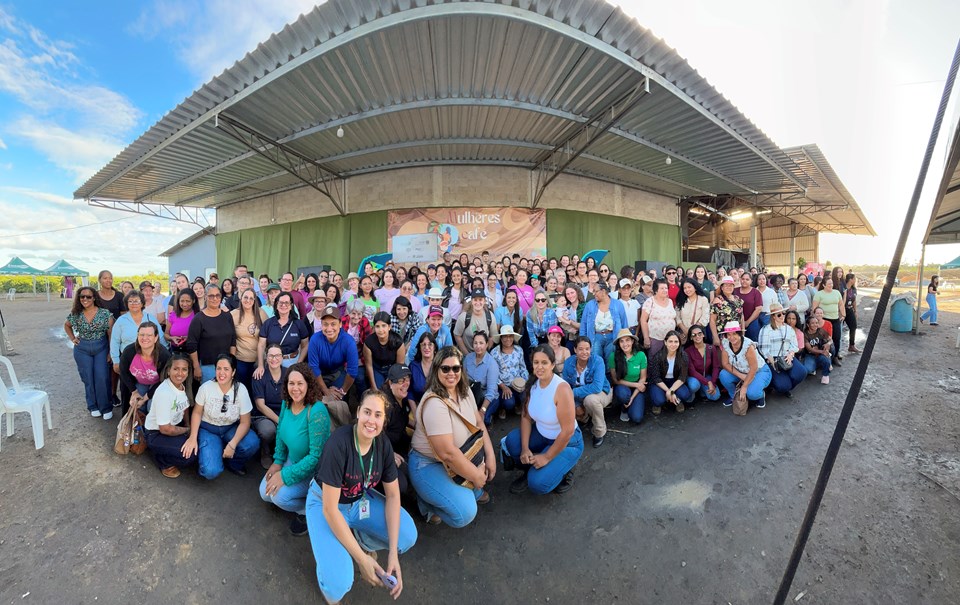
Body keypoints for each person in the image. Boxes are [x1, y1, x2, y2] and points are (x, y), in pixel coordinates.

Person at [305, 390, 417, 603]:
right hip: (326, 504)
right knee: (338, 585)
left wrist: (393, 553)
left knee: (407, 536)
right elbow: (329, 509)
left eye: (378, 415)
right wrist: (362, 560)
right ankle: (330, 572)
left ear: (384, 421)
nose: (371, 420)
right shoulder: (339, 443)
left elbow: (393, 496)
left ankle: (360, 540)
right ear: (358, 412)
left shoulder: (382, 444)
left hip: (358, 500)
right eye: (367, 412)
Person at [408, 347, 496, 527]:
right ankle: (426, 503)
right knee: (464, 513)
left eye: (456, 368)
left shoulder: (464, 390)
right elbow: (447, 453)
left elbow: (479, 422)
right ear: (436, 370)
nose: (451, 373)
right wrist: (476, 476)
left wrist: (491, 454)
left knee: (473, 485)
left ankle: (461, 487)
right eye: (445, 368)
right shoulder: (434, 403)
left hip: (463, 454)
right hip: (428, 463)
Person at [260, 363, 332, 536]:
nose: (295, 388)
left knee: (278, 497)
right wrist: (278, 462)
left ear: (308, 384)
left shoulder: (316, 411)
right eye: (291, 383)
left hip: (313, 472)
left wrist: (284, 476)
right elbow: (280, 432)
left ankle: (309, 511)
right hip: (291, 460)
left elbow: (315, 457)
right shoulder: (287, 403)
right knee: (264, 493)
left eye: (300, 383)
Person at [500, 345, 582, 494]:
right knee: (512, 442)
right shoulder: (532, 384)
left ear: (552, 364)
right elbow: (525, 417)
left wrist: (547, 456)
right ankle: (531, 468)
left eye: (544, 363)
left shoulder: (561, 389)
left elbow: (568, 431)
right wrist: (525, 448)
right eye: (536, 362)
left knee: (538, 484)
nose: (539, 367)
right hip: (543, 434)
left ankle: (565, 469)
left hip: (568, 441)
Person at [181, 354, 259, 479]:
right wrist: (193, 437)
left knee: (252, 443)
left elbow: (245, 422)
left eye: (226, 369)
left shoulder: (241, 389)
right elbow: (196, 412)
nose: (221, 373)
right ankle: (213, 453)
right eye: (219, 368)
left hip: (230, 428)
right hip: (208, 429)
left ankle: (233, 463)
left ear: (233, 372)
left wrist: (233, 444)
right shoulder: (206, 388)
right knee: (210, 471)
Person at [110, 291, 166, 415]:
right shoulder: (121, 320)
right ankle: (127, 420)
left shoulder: (149, 318)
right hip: (129, 360)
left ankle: (148, 423)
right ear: (126, 304)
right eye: (130, 301)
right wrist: (116, 360)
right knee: (127, 390)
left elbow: (160, 336)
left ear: (142, 303)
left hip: (149, 359)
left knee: (150, 393)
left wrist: (165, 352)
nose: (134, 303)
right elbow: (114, 341)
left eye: (137, 301)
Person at [64, 286, 115, 419]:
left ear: (94, 298)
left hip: (101, 347)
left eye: (88, 296)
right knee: (88, 378)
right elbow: (67, 325)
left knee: (102, 377)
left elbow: (110, 333)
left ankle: (106, 407)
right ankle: (93, 405)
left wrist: (110, 352)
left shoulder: (105, 314)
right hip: (82, 349)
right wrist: (73, 338)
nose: (85, 299)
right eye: (82, 296)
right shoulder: (76, 313)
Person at [143, 354, 197, 478]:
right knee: (190, 455)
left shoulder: (183, 386)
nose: (180, 373)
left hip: (173, 427)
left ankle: (165, 449)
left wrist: (188, 425)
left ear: (188, 372)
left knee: (193, 444)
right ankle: (162, 460)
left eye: (184, 369)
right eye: (176, 369)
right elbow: (165, 429)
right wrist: (187, 431)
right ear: (168, 371)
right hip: (156, 433)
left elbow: (185, 408)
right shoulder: (164, 393)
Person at [562, 337, 612, 448]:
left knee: (591, 400)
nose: (584, 352)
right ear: (575, 350)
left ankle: (599, 432)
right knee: (562, 401)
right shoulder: (568, 363)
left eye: (587, 349)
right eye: (581, 349)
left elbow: (597, 387)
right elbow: (565, 386)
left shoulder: (597, 361)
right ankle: (584, 417)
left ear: (591, 349)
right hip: (579, 395)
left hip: (602, 392)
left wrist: (572, 393)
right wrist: (576, 404)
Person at [307, 305, 359, 405]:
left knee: (337, 402)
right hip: (318, 374)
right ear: (321, 325)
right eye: (325, 324)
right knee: (315, 401)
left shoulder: (349, 342)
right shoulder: (315, 340)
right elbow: (314, 367)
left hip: (337, 373)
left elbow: (352, 371)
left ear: (340, 324)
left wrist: (342, 392)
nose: (329, 328)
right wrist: (326, 391)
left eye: (333, 324)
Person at [185, 284, 236, 385]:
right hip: (207, 367)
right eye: (211, 296)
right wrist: (196, 367)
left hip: (226, 365)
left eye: (217, 295)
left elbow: (233, 341)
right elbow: (191, 345)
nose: (215, 298)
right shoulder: (199, 319)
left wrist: (232, 364)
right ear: (205, 297)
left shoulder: (227, 316)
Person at [118, 323, 171, 417]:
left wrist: (146, 398)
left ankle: (152, 429)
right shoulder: (129, 351)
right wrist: (134, 392)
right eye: (141, 335)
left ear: (155, 338)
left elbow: (165, 380)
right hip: (139, 382)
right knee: (136, 404)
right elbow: (123, 372)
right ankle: (138, 427)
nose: (144, 338)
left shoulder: (164, 355)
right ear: (137, 336)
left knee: (151, 405)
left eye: (149, 335)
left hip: (157, 383)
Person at [757, 303, 808, 397]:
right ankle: (778, 386)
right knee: (783, 386)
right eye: (779, 314)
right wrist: (772, 362)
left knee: (802, 373)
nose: (782, 316)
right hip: (773, 358)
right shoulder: (766, 329)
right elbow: (764, 349)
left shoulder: (789, 329)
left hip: (787, 356)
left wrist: (790, 354)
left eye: (783, 313)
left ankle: (788, 386)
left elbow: (794, 345)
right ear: (773, 316)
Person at [718, 321, 772, 408]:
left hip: (758, 371)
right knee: (723, 375)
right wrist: (741, 375)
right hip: (741, 371)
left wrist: (744, 386)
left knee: (752, 394)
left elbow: (753, 368)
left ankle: (761, 395)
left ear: (740, 333)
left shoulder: (747, 345)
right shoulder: (725, 343)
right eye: (728, 334)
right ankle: (733, 396)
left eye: (734, 334)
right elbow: (725, 363)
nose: (731, 337)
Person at [381, 364, 417, 494]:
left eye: (407, 379)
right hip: (381, 451)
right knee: (401, 484)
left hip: (398, 443)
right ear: (390, 383)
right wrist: (389, 453)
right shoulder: (384, 405)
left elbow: (403, 420)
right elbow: (374, 434)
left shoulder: (401, 397)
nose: (406, 384)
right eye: (401, 381)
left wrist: (419, 426)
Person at [252, 343, 287, 469]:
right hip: (263, 415)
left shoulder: (288, 374)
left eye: (277, 355)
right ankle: (265, 451)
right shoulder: (259, 375)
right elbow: (260, 405)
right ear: (266, 357)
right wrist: (279, 421)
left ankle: (284, 454)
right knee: (268, 430)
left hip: (284, 412)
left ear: (282, 357)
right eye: (271, 356)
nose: (274, 359)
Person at [647, 330, 694, 414]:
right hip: (660, 382)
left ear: (679, 343)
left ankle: (676, 400)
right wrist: (668, 390)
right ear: (665, 342)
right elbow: (656, 378)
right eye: (670, 341)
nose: (673, 344)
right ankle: (659, 402)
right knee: (659, 400)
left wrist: (671, 390)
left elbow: (682, 377)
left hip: (675, 381)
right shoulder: (658, 356)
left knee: (685, 395)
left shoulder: (683, 356)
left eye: (676, 341)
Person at [607, 328, 647, 424]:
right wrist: (637, 385)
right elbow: (616, 380)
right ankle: (623, 408)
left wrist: (633, 397)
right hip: (622, 386)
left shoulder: (641, 355)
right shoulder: (613, 356)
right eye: (622, 341)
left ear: (632, 341)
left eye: (627, 340)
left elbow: (643, 378)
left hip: (637, 388)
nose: (625, 344)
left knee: (637, 418)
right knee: (624, 395)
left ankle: (631, 403)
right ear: (619, 344)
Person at [230, 288, 268, 390]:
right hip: (240, 361)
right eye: (245, 297)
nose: (248, 300)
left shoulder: (261, 313)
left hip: (258, 361)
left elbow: (269, 332)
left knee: (256, 392)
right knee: (243, 391)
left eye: (251, 298)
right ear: (241, 298)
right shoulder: (234, 314)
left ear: (255, 300)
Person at [490, 325, 529, 422]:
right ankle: (502, 407)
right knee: (508, 403)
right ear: (501, 338)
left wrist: (525, 383)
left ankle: (518, 404)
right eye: (505, 336)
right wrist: (503, 386)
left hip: (518, 383)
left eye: (510, 336)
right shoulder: (494, 353)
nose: (508, 339)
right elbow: (493, 373)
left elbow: (523, 368)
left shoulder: (518, 350)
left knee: (526, 397)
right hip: (503, 385)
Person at [580, 282, 627, 360]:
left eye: (596, 291)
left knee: (611, 361)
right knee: (596, 360)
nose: (593, 293)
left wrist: (624, 340)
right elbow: (583, 325)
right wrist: (582, 341)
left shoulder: (618, 304)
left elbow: (624, 324)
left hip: (613, 337)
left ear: (604, 291)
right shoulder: (590, 305)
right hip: (595, 337)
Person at [464, 331, 499, 426]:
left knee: (483, 420)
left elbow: (491, 392)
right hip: (471, 394)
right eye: (475, 343)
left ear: (487, 344)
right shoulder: (468, 358)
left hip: (487, 397)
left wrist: (482, 411)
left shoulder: (492, 364)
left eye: (481, 343)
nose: (478, 346)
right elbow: (462, 379)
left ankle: (490, 416)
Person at [364, 312, 405, 389]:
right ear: (374, 328)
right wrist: (373, 386)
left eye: (384, 326)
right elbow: (369, 365)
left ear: (389, 327)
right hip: (377, 369)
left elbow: (399, 365)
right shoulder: (369, 342)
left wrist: (390, 380)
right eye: (377, 326)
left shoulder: (398, 342)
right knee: (379, 392)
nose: (380, 330)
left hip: (393, 369)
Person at [811, 277, 845, 365]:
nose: (831, 285)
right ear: (823, 285)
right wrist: (816, 320)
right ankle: (824, 357)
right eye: (829, 283)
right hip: (824, 320)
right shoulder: (819, 294)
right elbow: (814, 308)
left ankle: (835, 356)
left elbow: (841, 305)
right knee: (824, 340)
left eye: (832, 283)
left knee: (837, 338)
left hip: (835, 319)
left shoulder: (837, 293)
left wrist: (843, 315)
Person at [640, 279, 677, 358]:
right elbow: (643, 320)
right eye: (662, 288)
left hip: (670, 340)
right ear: (656, 290)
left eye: (666, 288)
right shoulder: (650, 301)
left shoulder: (670, 301)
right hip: (655, 339)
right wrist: (646, 338)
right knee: (654, 363)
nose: (665, 290)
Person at [454, 290, 498, 354]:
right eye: (475, 300)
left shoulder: (490, 316)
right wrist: (467, 354)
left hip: (483, 354)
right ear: (471, 301)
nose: (478, 302)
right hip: (467, 353)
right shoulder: (464, 317)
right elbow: (457, 335)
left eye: (480, 300)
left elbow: (492, 336)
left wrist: (485, 351)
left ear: (484, 301)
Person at [684, 325, 721, 402]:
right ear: (691, 337)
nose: (697, 336)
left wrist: (713, 383)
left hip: (706, 376)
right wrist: (708, 383)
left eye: (699, 333)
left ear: (703, 334)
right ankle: (691, 396)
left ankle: (702, 391)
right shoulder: (687, 351)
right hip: (693, 378)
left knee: (715, 396)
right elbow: (692, 371)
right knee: (694, 385)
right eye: (694, 335)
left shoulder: (711, 348)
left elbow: (716, 367)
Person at [675, 278, 710, 344]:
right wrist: (685, 330)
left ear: (695, 288)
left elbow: (705, 317)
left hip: (698, 334)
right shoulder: (681, 300)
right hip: (683, 334)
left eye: (689, 287)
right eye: (684, 288)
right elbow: (677, 317)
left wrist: (693, 331)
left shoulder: (703, 299)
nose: (687, 290)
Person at [802, 314, 833, 384]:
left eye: (816, 323)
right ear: (808, 325)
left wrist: (828, 344)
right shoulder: (805, 334)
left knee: (825, 358)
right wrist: (822, 351)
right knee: (809, 370)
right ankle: (822, 364)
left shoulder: (821, 331)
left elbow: (831, 340)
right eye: (812, 323)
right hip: (810, 355)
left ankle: (825, 375)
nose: (815, 325)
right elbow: (809, 349)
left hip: (820, 353)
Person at [165, 288, 198, 353]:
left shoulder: (197, 316)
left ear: (193, 301)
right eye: (182, 301)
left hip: (193, 352)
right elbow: (166, 334)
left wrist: (189, 338)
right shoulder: (173, 315)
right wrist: (172, 338)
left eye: (188, 301)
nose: (185, 304)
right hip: (175, 351)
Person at [409, 331, 437, 405]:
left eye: (430, 344)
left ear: (434, 347)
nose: (426, 348)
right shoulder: (413, 366)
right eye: (423, 345)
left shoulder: (440, 366)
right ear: (419, 348)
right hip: (417, 406)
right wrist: (415, 413)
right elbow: (409, 392)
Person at [735, 272, 763, 342]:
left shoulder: (756, 292)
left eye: (747, 279)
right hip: (736, 322)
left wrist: (747, 322)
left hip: (752, 321)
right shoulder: (734, 291)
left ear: (751, 281)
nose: (744, 281)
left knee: (752, 343)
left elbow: (758, 309)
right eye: (743, 279)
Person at [843, 273, 861, 353]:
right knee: (838, 330)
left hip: (850, 310)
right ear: (851, 279)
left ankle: (851, 345)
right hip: (842, 310)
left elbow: (854, 300)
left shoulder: (854, 289)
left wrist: (855, 311)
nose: (855, 280)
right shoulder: (842, 288)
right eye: (854, 278)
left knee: (853, 327)